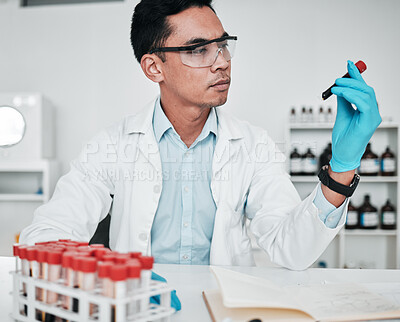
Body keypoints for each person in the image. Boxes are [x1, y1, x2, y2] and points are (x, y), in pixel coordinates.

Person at [20, 0, 381, 272]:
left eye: (223, 45)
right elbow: (51, 229)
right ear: (153, 67)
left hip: (223, 309)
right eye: (198, 50)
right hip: (140, 308)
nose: (221, 61)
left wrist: (342, 168)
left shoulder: (253, 147)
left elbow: (292, 249)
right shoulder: (111, 146)